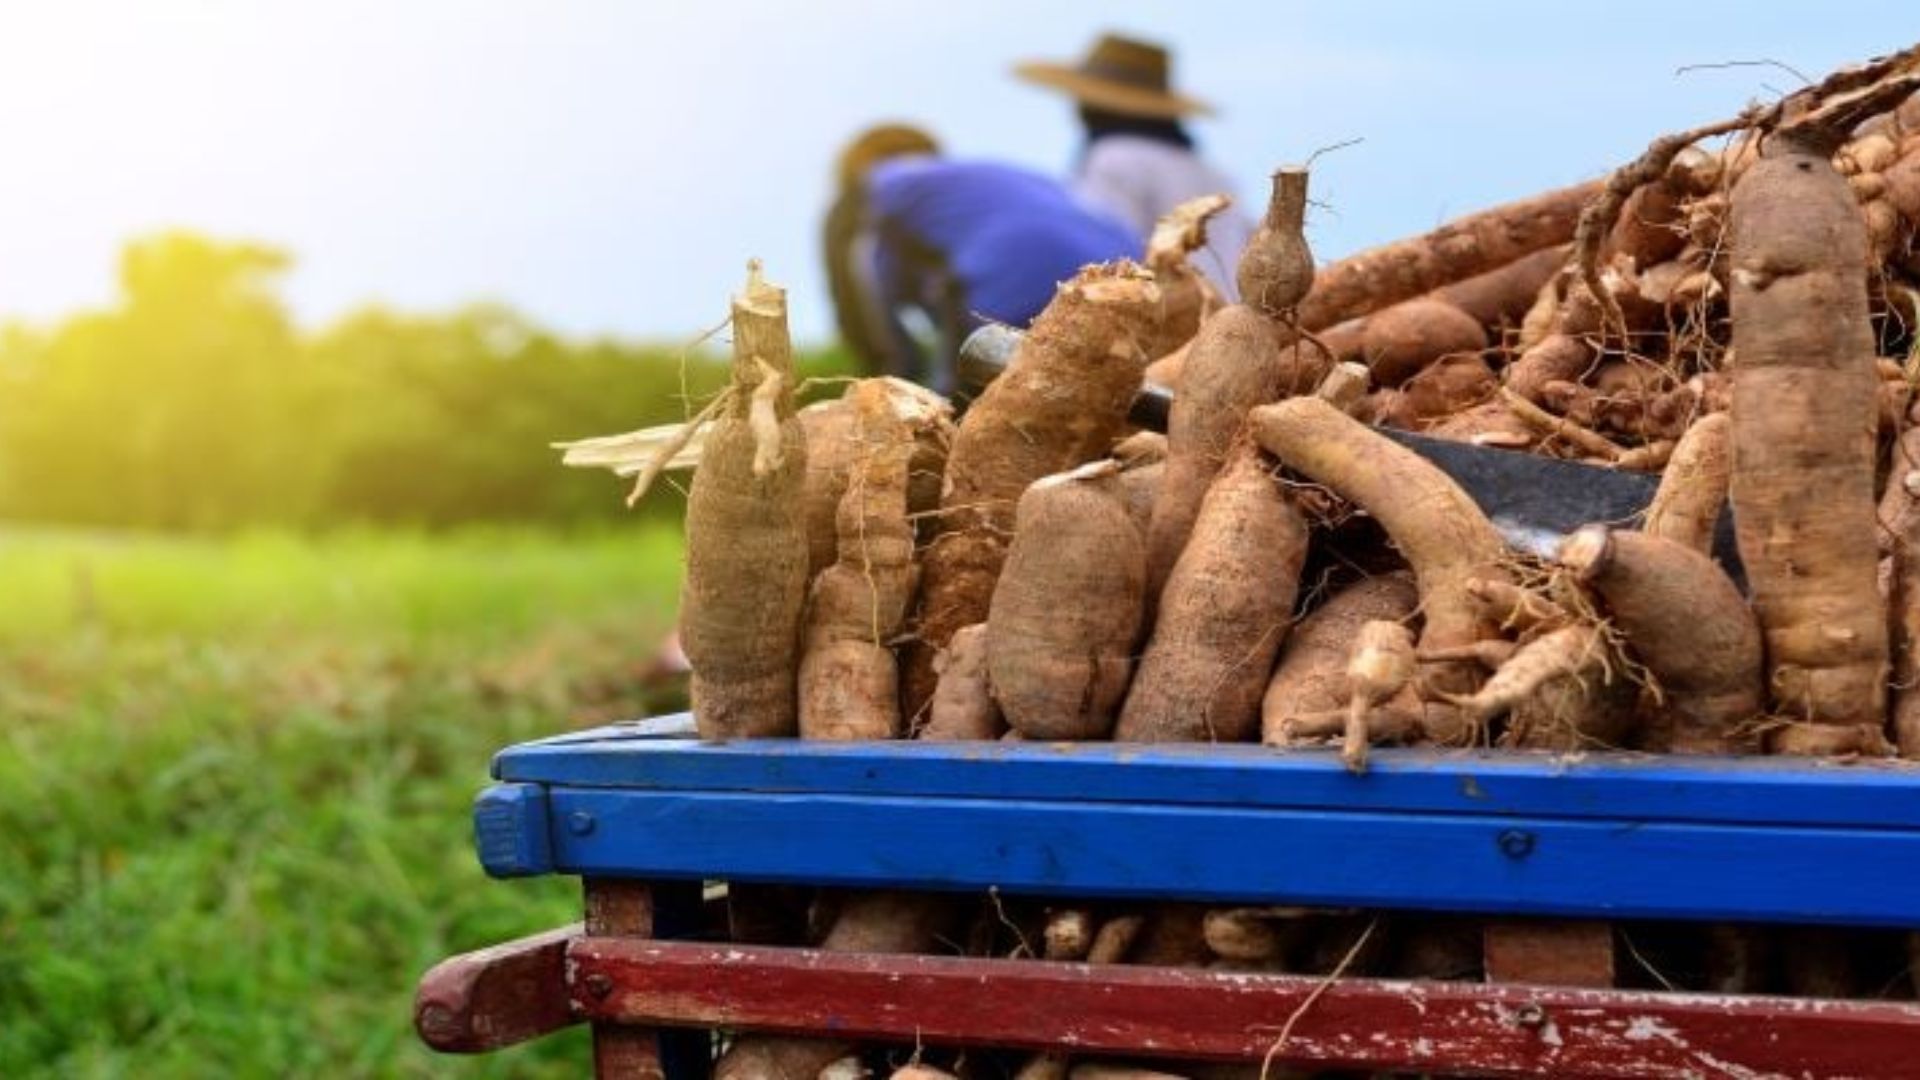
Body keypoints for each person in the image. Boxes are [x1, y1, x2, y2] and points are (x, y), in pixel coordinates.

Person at [822, 124, 1141, 391]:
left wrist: (889, 374)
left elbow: (860, 298)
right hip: (1126, 277)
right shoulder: (984, 177)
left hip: (1020, 278)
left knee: (962, 411)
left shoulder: (876, 186)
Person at [1015, 32, 1253, 297]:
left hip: (1158, 323)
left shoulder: (1113, 158)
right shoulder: (1215, 173)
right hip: (1227, 319)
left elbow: (1102, 252)